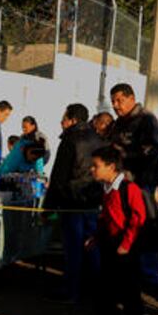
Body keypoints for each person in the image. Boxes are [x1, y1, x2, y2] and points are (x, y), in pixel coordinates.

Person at [44, 104, 105, 303]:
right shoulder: (97, 138)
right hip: (93, 200)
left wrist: (48, 206)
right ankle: (97, 289)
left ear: (72, 119)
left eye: (64, 117)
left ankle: (72, 291)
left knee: (73, 249)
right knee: (92, 246)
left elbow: (59, 177)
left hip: (72, 200)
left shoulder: (70, 140)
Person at [109, 83, 158, 288]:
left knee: (144, 226)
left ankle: (151, 276)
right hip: (123, 182)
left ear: (131, 98)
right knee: (126, 227)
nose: (115, 105)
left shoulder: (146, 120)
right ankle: (132, 272)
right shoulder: (119, 122)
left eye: (119, 100)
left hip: (143, 182)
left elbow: (150, 152)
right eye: (113, 101)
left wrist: (122, 152)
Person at [86, 146, 146, 315]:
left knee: (129, 287)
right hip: (110, 243)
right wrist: (95, 237)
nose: (92, 169)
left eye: (96, 166)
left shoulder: (129, 188)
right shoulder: (107, 188)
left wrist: (126, 245)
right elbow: (105, 216)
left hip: (125, 245)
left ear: (111, 166)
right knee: (106, 284)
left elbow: (138, 218)